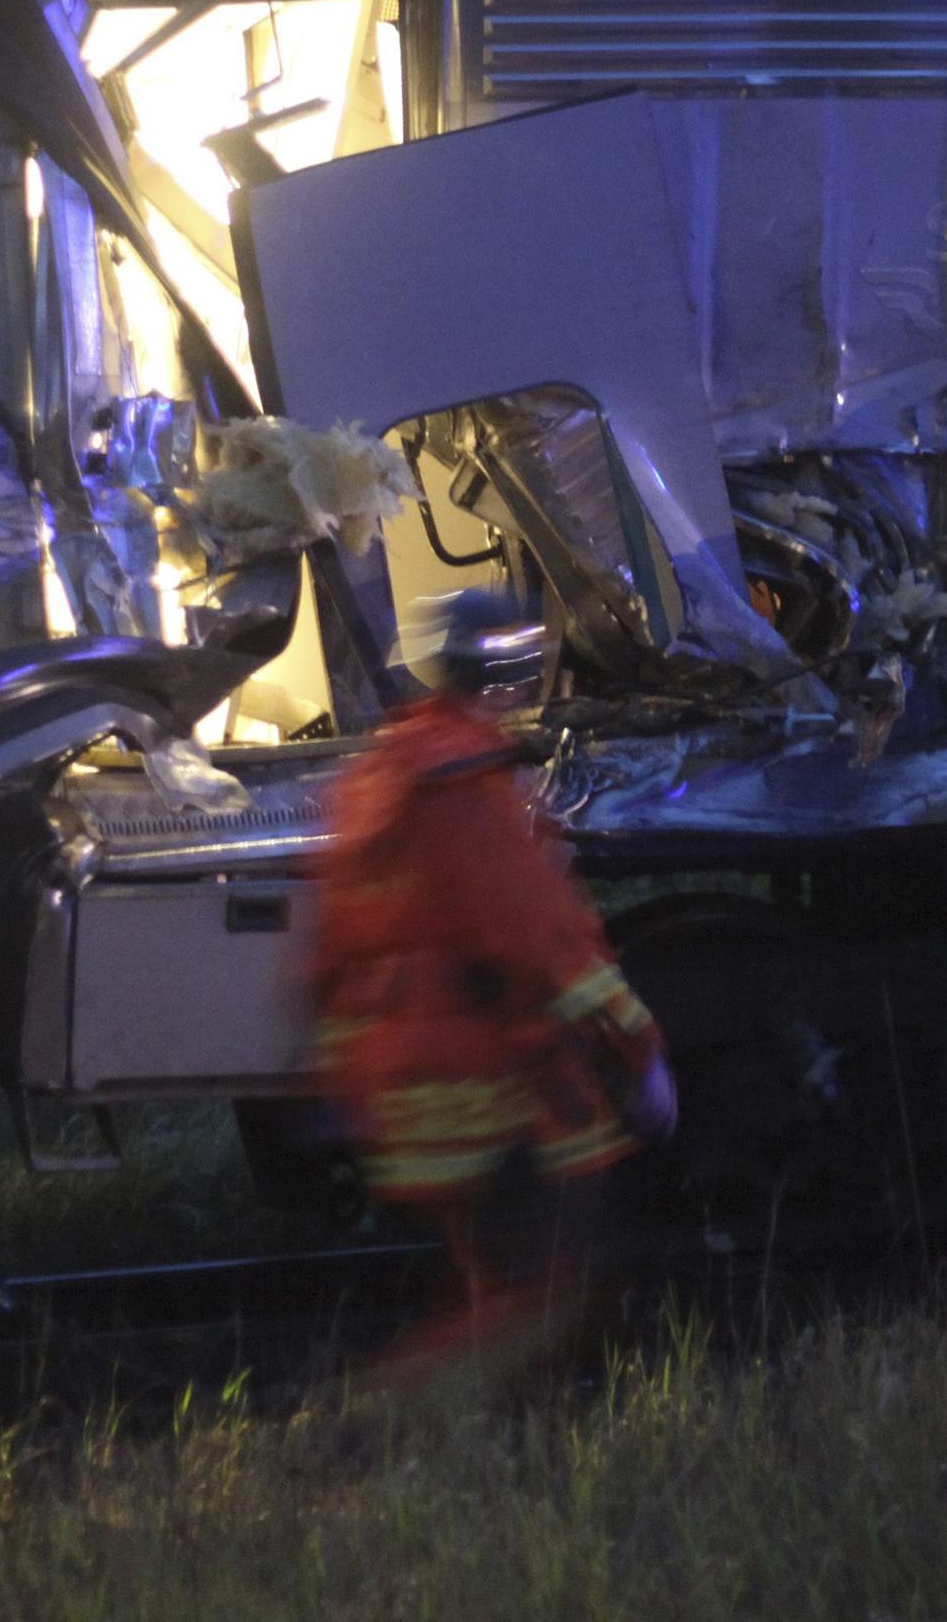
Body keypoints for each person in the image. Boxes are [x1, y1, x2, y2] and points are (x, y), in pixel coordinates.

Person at [311, 590, 675, 1379]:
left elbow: (328, 953)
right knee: (551, 1290)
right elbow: (543, 940)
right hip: (477, 1077)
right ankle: (378, 1427)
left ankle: (492, 1451)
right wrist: (640, 1049)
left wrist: (349, 1086)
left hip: (405, 1087)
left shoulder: (383, 769)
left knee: (497, 1281)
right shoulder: (470, 780)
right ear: (506, 675)